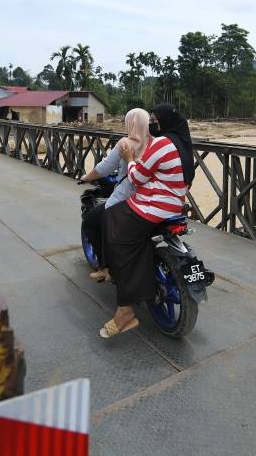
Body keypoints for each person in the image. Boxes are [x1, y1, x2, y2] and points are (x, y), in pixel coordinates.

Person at [99, 105, 191, 338]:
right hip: (175, 205)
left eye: (154, 120)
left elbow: (137, 177)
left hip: (152, 207)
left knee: (114, 230)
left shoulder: (161, 143)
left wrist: (129, 159)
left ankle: (125, 311)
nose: (152, 124)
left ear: (162, 122)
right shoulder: (183, 144)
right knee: (132, 236)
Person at [77, 109, 150, 283]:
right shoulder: (155, 144)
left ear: (129, 124)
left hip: (126, 199)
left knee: (91, 221)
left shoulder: (125, 143)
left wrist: (85, 177)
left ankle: (105, 268)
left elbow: (104, 169)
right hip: (150, 199)